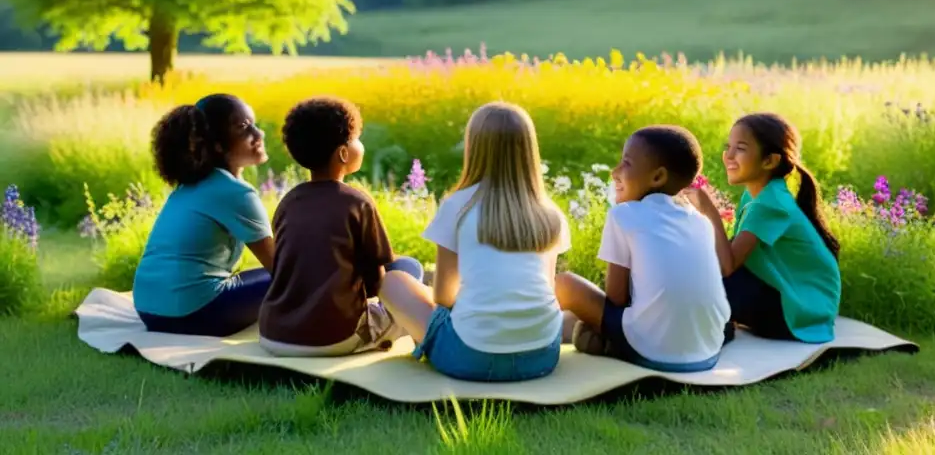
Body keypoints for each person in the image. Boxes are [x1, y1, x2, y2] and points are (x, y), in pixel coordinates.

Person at [378, 102, 570, 382]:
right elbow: (548, 288)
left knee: (393, 281)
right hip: (541, 358)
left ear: (474, 148)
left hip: (471, 359)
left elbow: (443, 296)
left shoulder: (458, 206)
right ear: (529, 151)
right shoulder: (550, 213)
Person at [555, 125, 731, 372]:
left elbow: (616, 298)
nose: (615, 172)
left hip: (653, 351)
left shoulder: (623, 215)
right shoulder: (699, 222)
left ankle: (598, 342)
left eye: (626, 164)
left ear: (657, 177)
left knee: (564, 284)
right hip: (708, 349)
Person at [258, 97, 424, 357]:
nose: (361, 143)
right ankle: (416, 337)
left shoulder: (288, 202)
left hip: (273, 334)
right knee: (409, 268)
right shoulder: (358, 203)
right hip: (334, 337)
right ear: (343, 153)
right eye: (356, 137)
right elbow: (375, 284)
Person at [691, 112, 841, 343]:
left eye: (740, 148)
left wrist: (709, 211)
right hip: (793, 299)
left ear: (769, 161)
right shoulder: (758, 194)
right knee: (699, 273)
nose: (728, 155)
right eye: (728, 146)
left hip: (799, 314)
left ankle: (718, 330)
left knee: (710, 281)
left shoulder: (769, 203)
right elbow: (729, 253)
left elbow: (726, 266)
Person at [133, 94, 275, 337]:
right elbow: (280, 267)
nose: (258, 133)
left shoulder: (189, 185)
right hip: (191, 314)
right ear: (217, 144)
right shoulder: (235, 193)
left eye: (253, 123)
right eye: (243, 127)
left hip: (149, 311)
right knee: (294, 280)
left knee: (263, 278)